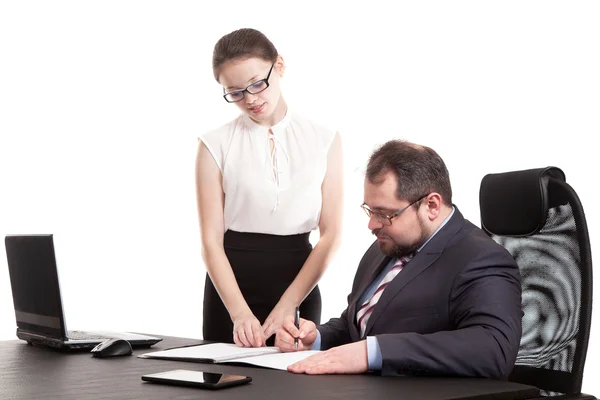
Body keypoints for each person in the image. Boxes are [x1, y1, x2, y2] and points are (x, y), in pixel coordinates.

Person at [275, 140, 523, 378]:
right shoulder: (384, 247)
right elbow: (361, 324)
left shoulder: (481, 258)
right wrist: (317, 337)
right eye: (370, 210)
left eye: (384, 214)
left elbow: (494, 348)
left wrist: (373, 353)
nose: (372, 224)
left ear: (432, 205)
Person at [195, 28, 343, 348]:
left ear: (279, 66)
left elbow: (331, 234)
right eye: (234, 92)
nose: (250, 99)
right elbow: (210, 242)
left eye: (257, 84)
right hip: (230, 290)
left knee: (294, 388)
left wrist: (290, 303)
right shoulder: (214, 145)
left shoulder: (325, 140)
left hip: (299, 284)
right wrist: (239, 314)